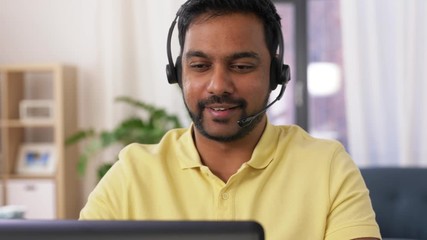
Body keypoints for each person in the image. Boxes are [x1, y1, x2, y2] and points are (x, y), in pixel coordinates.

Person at [79, 0, 381, 239]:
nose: (218, 85)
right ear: (177, 73)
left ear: (275, 75)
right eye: (199, 65)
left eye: (241, 66)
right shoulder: (133, 172)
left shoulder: (327, 166)